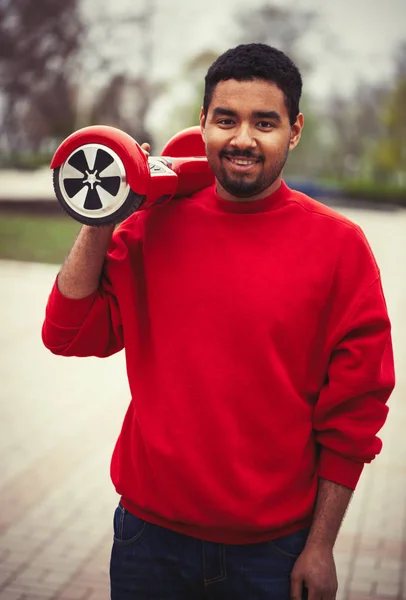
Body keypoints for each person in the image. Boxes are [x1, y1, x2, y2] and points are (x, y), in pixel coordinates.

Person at [42, 43, 395, 600]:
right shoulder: (151, 225)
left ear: (294, 131)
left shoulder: (340, 249)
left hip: (273, 553)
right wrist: (105, 211)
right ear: (203, 122)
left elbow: (356, 412)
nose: (243, 139)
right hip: (146, 542)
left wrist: (321, 545)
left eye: (265, 122)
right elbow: (66, 334)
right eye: (226, 119)